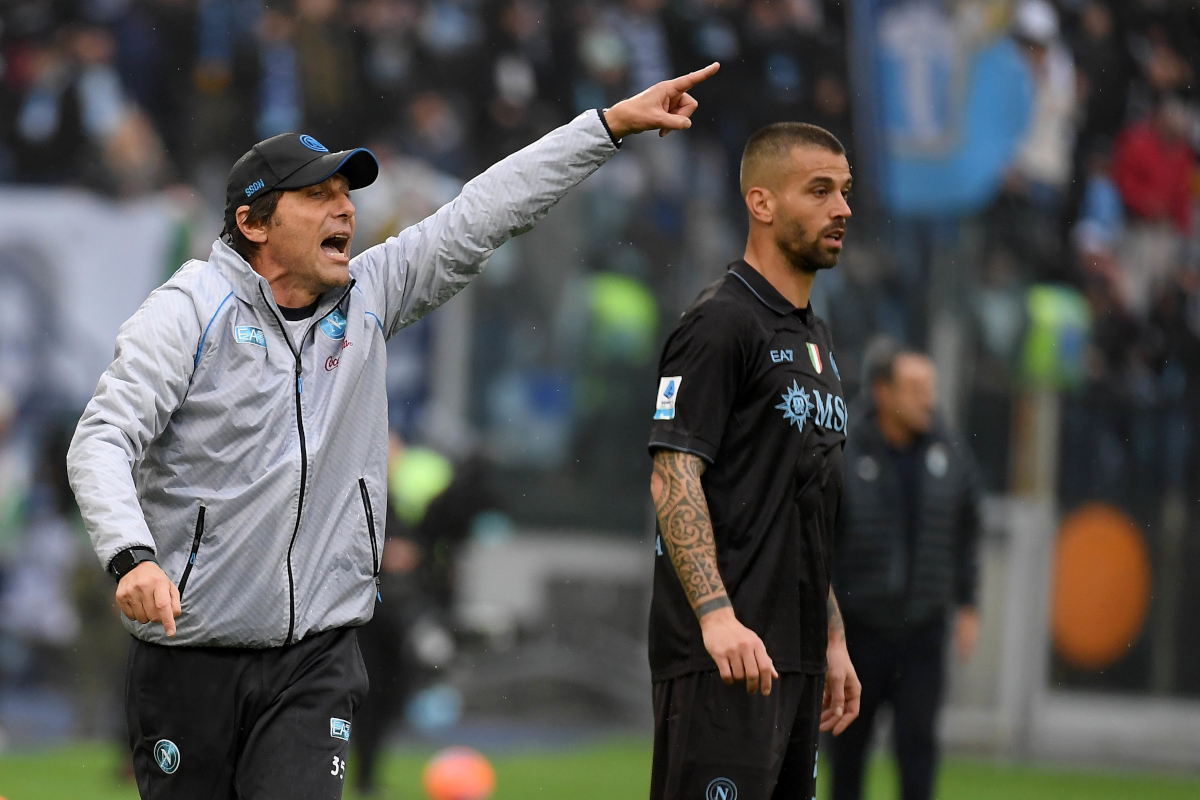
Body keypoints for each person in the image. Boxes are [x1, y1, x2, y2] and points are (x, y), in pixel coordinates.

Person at [66, 61, 721, 800]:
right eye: (316, 196)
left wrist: (604, 128)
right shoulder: (184, 312)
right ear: (252, 222)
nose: (344, 211)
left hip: (315, 661)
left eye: (346, 195)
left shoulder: (369, 296)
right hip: (189, 660)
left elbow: (482, 212)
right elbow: (102, 439)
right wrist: (132, 558)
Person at [646, 122, 860, 800]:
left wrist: (830, 639)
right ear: (762, 203)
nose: (843, 209)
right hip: (725, 658)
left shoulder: (816, 338)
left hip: (793, 663)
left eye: (846, 192)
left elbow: (805, 501)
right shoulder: (720, 324)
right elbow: (672, 474)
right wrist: (716, 617)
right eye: (820, 191)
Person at [829, 338, 982, 800]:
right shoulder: (845, 450)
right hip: (858, 632)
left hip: (923, 633)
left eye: (930, 387)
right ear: (882, 391)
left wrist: (968, 603)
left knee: (918, 750)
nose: (928, 399)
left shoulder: (950, 452)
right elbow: (821, 537)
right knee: (845, 751)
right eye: (915, 387)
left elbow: (967, 530)